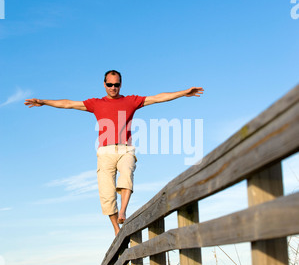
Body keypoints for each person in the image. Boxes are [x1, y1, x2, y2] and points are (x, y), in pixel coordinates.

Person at [25, 70, 204, 236]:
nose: (113, 88)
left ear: (121, 85)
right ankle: (116, 229)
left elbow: (158, 98)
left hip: (125, 148)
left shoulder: (131, 101)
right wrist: (43, 102)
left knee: (127, 172)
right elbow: (68, 104)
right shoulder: (96, 103)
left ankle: (123, 211)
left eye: (116, 85)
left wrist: (183, 92)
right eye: (110, 85)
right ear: (104, 84)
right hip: (104, 152)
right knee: (106, 193)